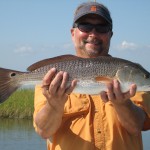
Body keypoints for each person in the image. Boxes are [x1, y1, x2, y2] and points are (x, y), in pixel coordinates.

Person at [33, 2, 150, 150]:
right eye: (85, 26)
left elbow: (136, 127)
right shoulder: (50, 78)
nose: (93, 34)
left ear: (110, 34)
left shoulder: (135, 82)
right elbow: (44, 131)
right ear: (73, 33)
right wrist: (54, 105)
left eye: (102, 28)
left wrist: (123, 104)